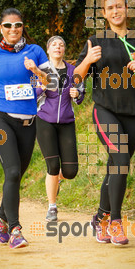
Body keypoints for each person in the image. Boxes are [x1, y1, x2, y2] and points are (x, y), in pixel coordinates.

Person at [74, 0, 135, 245]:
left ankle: (100, 217)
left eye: (119, 6)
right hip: (105, 111)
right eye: (110, 7)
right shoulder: (96, 41)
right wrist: (88, 60)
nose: (115, 10)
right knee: (121, 159)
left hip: (134, 114)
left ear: (127, 9)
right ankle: (115, 222)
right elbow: (77, 77)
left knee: (116, 166)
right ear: (103, 13)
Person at [0, 8, 51, 249]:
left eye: (18, 25)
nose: (13, 29)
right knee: (13, 172)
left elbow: (51, 81)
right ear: (0, 28)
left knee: (16, 175)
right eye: (8, 26)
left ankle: (1, 214)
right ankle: (15, 230)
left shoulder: (34, 51)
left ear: (23, 27)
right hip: (0, 117)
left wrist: (35, 70)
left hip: (29, 121)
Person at [36, 36, 85, 221]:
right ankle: (52, 206)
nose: (58, 47)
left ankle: (54, 179)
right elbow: (30, 95)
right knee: (53, 165)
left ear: (64, 50)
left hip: (66, 123)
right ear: (48, 49)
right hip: (44, 121)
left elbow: (81, 94)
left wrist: (77, 93)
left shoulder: (73, 70)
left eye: (61, 44)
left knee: (71, 172)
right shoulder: (40, 70)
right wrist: (41, 88)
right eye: (54, 44)